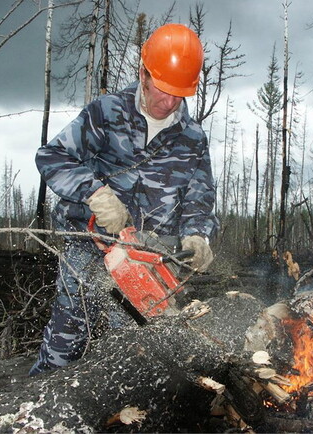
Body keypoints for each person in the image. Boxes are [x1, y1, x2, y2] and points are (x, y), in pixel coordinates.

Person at [29, 24, 219, 376]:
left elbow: (200, 195)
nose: (168, 102)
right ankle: (36, 407)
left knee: (138, 350)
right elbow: (52, 156)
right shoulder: (106, 112)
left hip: (146, 255)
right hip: (89, 246)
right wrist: (95, 193)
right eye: (162, 90)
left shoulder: (192, 138)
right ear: (143, 73)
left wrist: (197, 234)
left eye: (178, 94)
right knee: (69, 333)